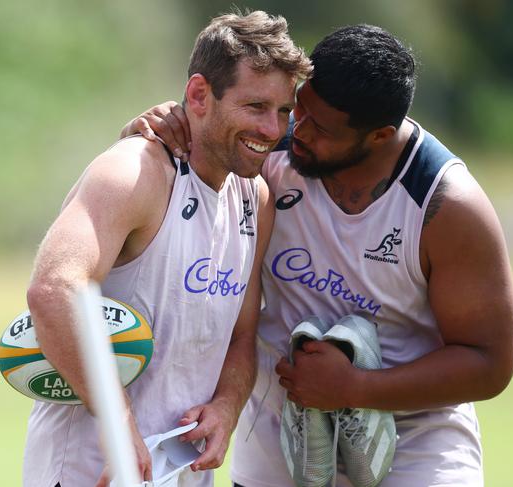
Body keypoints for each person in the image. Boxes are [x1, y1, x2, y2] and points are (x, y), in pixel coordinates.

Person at [121, 24, 513, 487]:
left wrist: (356, 389)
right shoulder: (270, 149)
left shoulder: (446, 206)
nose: (293, 131)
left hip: (415, 446)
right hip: (279, 439)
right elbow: (184, 155)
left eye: (320, 128)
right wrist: (147, 133)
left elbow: (489, 363)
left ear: (378, 136)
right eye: (298, 109)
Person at [22, 11, 312, 487]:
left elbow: (242, 334)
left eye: (283, 111)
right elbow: (55, 289)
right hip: (89, 472)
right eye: (256, 106)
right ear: (199, 95)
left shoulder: (254, 198)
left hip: (183, 474)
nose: (272, 129)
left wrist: (226, 405)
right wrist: (119, 428)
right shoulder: (133, 172)